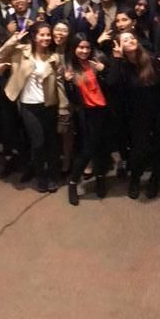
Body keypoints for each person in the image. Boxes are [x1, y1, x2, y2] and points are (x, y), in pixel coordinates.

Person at [0, 22, 69, 193]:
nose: (46, 38)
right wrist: (13, 40)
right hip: (28, 105)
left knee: (52, 143)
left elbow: (59, 84)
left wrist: (63, 107)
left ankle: (52, 175)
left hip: (49, 104)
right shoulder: (21, 52)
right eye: (42, 34)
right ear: (34, 36)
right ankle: (41, 176)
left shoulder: (54, 57)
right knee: (38, 142)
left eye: (48, 35)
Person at [107, 30, 160, 200]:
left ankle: (154, 180)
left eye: (132, 38)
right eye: (125, 40)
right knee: (139, 150)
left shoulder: (152, 59)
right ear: (119, 46)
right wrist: (117, 59)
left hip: (158, 112)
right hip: (135, 115)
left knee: (159, 147)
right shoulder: (121, 64)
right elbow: (112, 84)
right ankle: (135, 179)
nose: (130, 40)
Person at [61, 33, 112, 205]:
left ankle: (100, 177)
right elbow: (73, 99)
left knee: (102, 147)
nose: (84, 51)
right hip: (87, 113)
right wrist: (68, 83)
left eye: (87, 47)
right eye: (80, 47)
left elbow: (112, 84)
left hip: (104, 111)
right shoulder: (70, 67)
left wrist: (103, 71)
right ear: (74, 48)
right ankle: (73, 183)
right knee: (87, 150)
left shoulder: (98, 61)